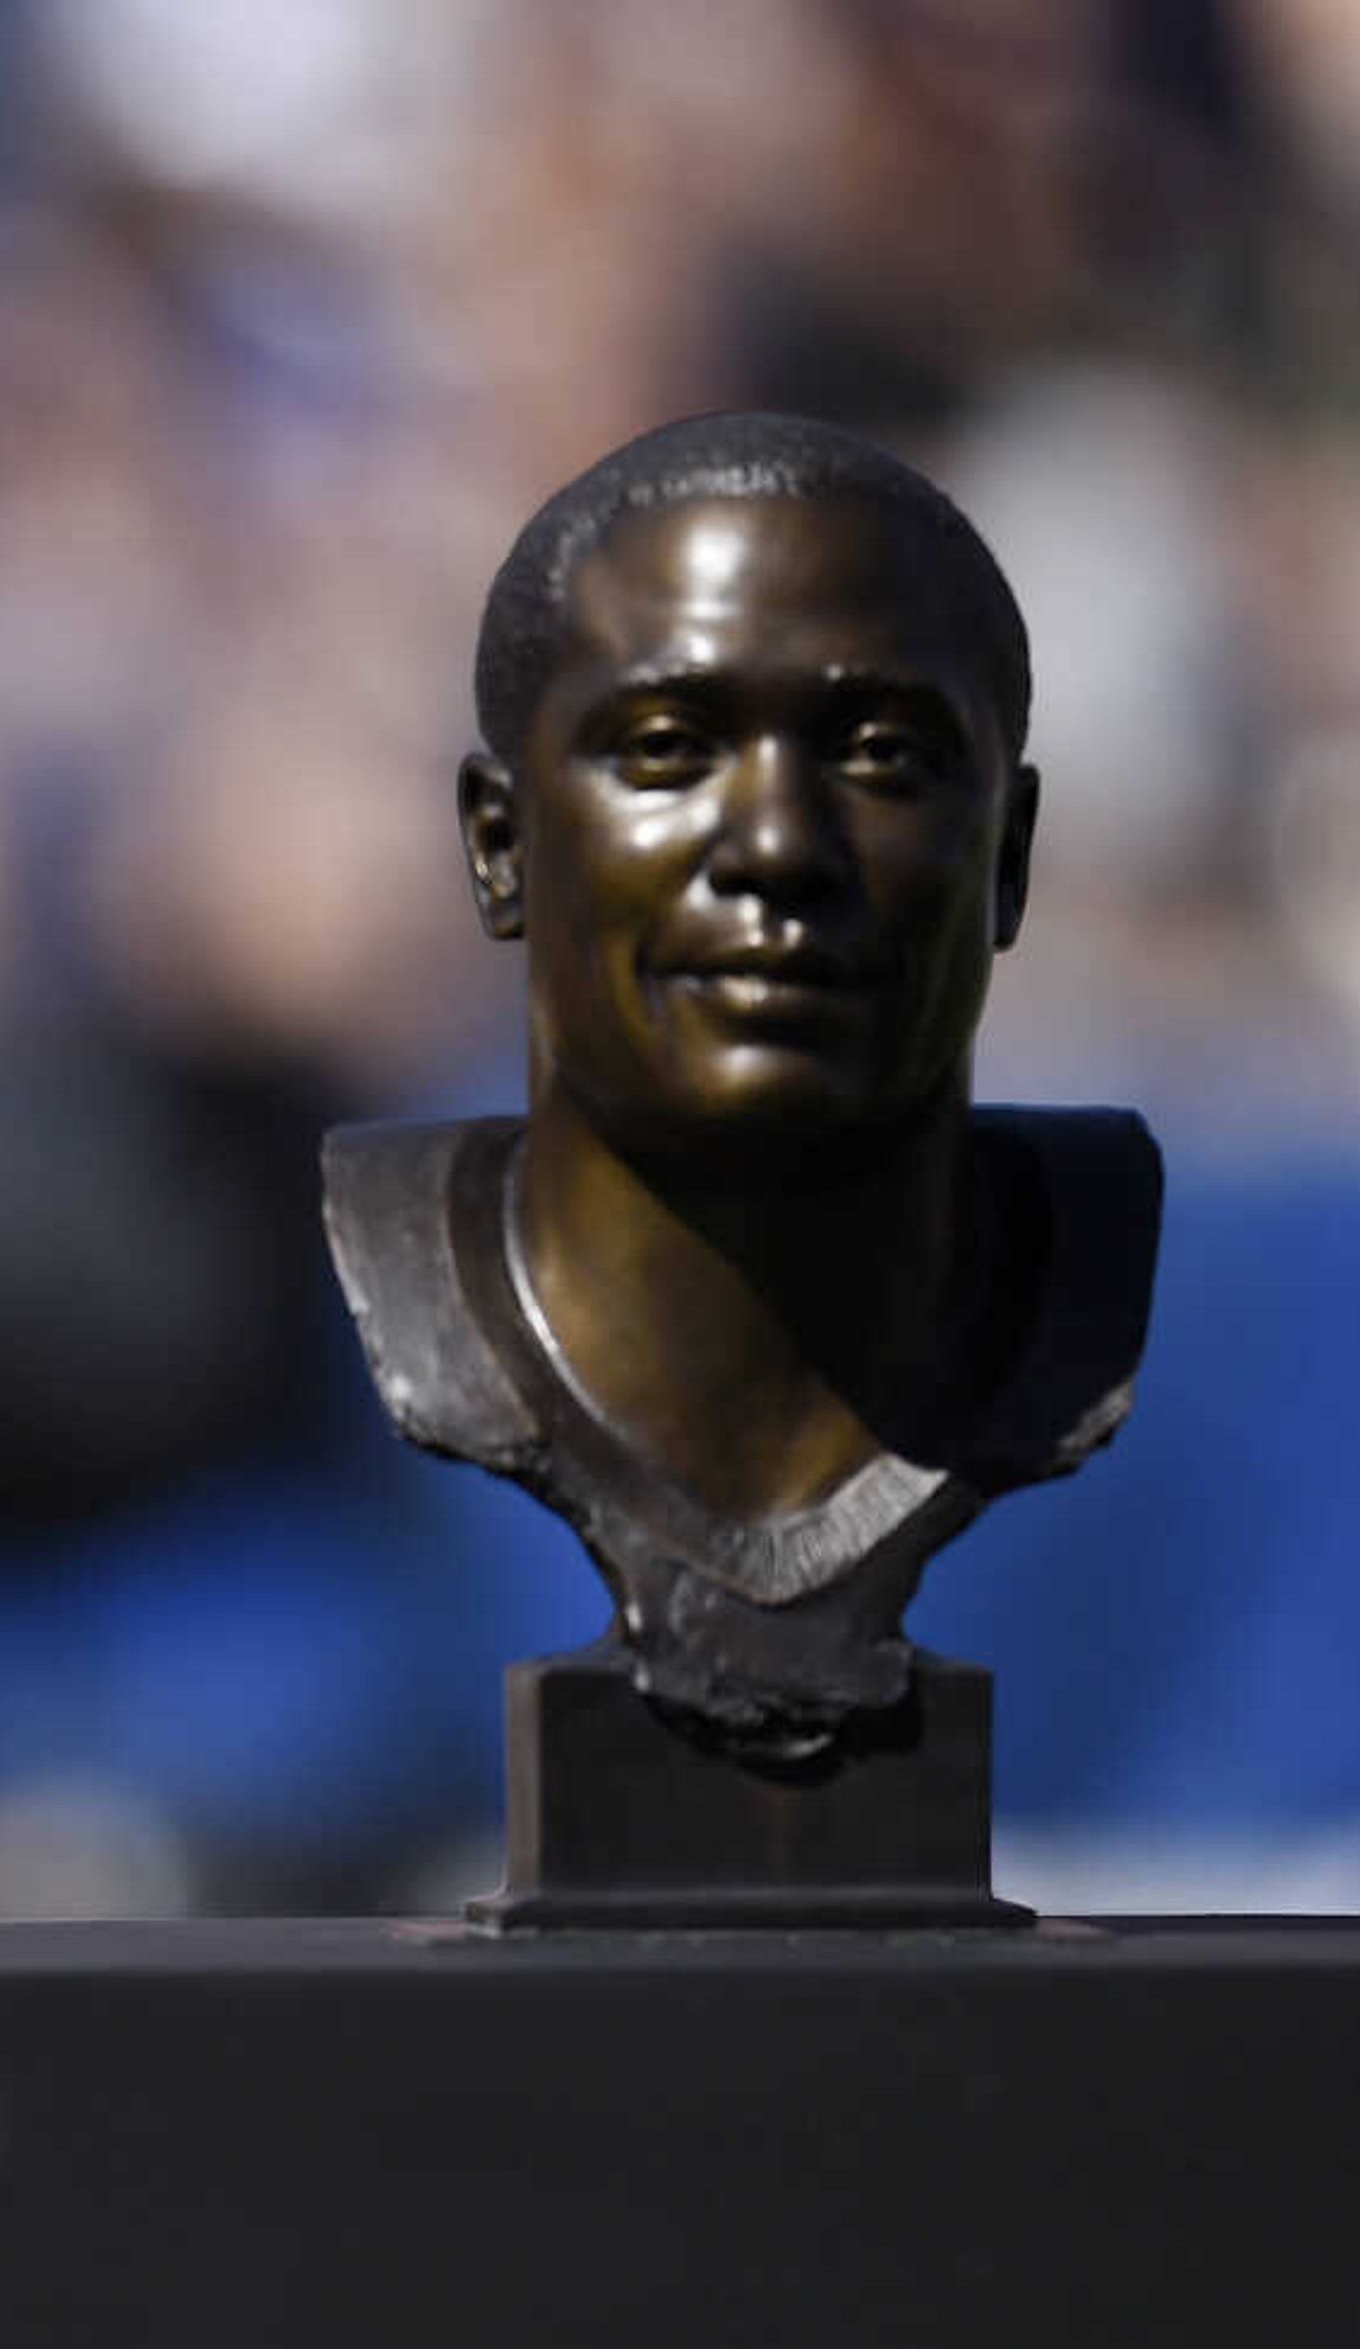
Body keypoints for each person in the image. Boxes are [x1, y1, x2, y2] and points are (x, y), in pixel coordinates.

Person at [323, 412, 1156, 1755]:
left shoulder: (1085, 1289)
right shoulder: (393, 1293)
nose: (778, 844)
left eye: (882, 755)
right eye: (666, 748)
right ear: (499, 847)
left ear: (1009, 855)